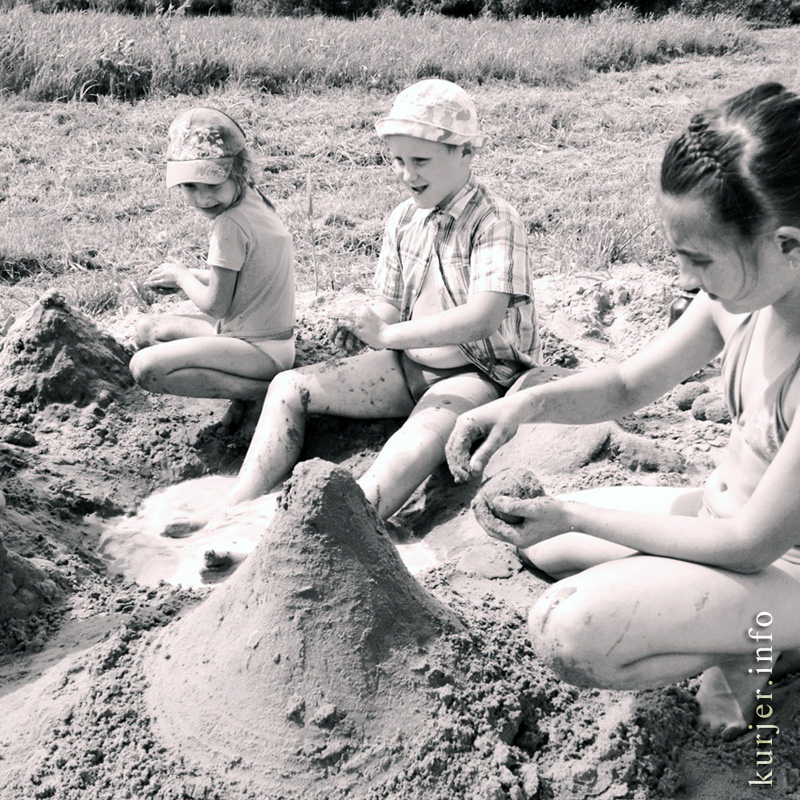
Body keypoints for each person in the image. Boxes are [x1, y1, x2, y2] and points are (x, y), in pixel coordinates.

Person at [445, 82, 800, 740]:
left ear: (788, 244)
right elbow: (628, 386)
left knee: (570, 630)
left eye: (700, 259)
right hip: (719, 521)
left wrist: (575, 513)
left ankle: (757, 647)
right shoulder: (743, 299)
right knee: (545, 547)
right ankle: (741, 628)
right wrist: (523, 404)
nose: (686, 280)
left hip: (779, 566)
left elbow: (751, 544)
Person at [221, 78, 539, 521]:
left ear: (466, 152)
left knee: (404, 451)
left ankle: (336, 528)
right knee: (288, 387)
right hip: (405, 364)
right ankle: (236, 510)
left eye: (421, 161)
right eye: (398, 161)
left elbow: (482, 318)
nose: (408, 175)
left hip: (475, 375)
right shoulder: (404, 218)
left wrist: (389, 334)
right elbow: (390, 303)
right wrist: (368, 324)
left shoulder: (494, 219)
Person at [129, 107, 296, 423]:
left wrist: (182, 275)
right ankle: (253, 387)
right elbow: (248, 275)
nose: (203, 199)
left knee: (145, 367)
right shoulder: (255, 201)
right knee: (147, 330)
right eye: (191, 186)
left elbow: (216, 306)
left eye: (213, 185)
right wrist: (192, 275)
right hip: (270, 339)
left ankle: (265, 392)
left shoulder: (229, 225)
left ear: (239, 170)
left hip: (259, 350)